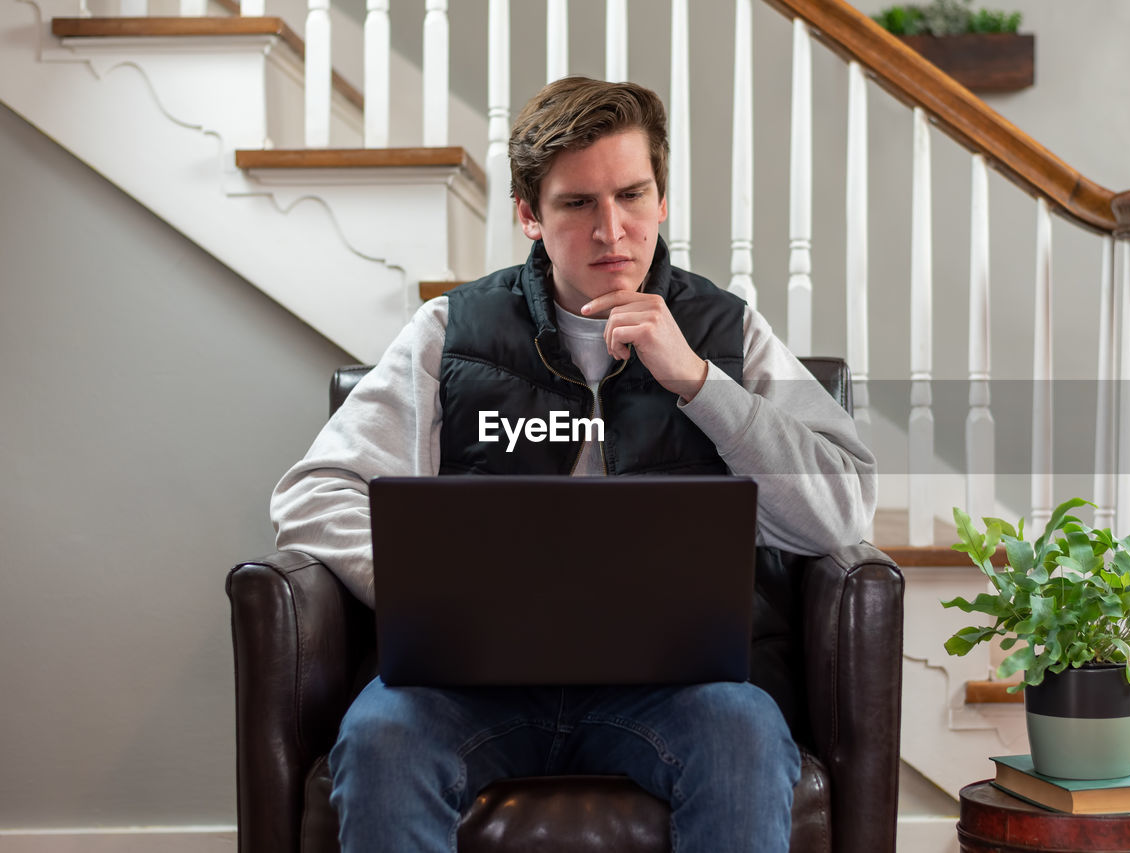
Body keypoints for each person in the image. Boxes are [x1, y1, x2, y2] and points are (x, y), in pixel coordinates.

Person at [271, 76, 876, 853]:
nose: (612, 231)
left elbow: (846, 508)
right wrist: (427, 592)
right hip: (470, 686)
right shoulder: (448, 331)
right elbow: (312, 493)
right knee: (382, 734)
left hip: (679, 691)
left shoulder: (729, 333)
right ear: (529, 213)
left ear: (662, 200)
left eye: (632, 195)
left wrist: (697, 380)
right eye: (577, 203)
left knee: (745, 734)